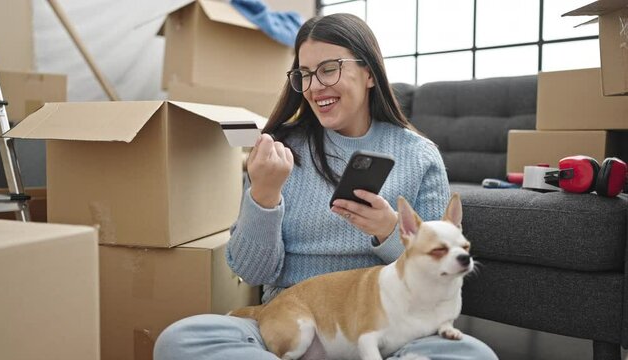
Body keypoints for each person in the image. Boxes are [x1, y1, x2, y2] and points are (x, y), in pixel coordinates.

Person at [154, 13, 498, 360]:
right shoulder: (281, 150)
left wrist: (390, 231)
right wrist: (264, 195)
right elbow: (251, 271)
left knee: (475, 356)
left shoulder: (419, 156)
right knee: (179, 339)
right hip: (291, 320)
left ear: (368, 73)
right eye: (304, 74)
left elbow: (442, 273)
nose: (315, 86)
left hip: (392, 329)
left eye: (329, 68)